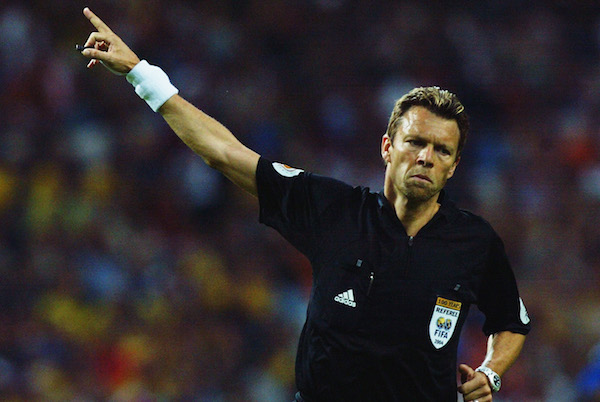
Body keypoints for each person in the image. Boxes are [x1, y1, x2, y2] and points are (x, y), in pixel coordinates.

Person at [78, 7, 530, 401]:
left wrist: (491, 372)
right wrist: (141, 74)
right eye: (416, 142)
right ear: (388, 147)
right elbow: (225, 153)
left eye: (442, 150)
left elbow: (511, 320)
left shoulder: (474, 241)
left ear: (453, 167)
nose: (427, 157)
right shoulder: (334, 210)